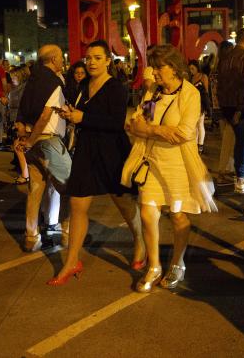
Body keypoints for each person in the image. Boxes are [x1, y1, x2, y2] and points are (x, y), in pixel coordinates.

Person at [47, 40, 144, 286]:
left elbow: (116, 122)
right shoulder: (82, 86)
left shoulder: (116, 88)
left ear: (108, 61)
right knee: (78, 204)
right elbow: (82, 116)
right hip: (86, 150)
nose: (91, 62)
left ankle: (140, 242)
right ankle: (71, 262)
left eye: (97, 58)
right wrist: (71, 115)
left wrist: (84, 117)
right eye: (88, 58)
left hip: (112, 151)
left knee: (123, 202)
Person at [124, 44, 217, 292]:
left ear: (174, 68)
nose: (153, 73)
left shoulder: (190, 94)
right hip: (152, 160)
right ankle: (154, 265)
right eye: (152, 67)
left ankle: (177, 262)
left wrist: (153, 130)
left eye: (158, 67)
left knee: (177, 216)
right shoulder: (153, 92)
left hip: (179, 164)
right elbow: (137, 122)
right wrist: (148, 128)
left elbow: (185, 133)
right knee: (147, 212)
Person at [15, 44, 68, 252]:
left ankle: (31, 237)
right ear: (54, 59)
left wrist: (25, 137)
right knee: (71, 186)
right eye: (61, 58)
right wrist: (31, 139)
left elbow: (22, 108)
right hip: (47, 140)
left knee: (35, 189)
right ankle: (68, 233)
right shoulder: (54, 81)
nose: (63, 61)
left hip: (32, 141)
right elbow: (46, 115)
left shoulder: (33, 80)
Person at [216, 30, 244, 193]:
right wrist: (240, 108)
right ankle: (240, 177)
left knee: (230, 138)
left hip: (226, 104)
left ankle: (225, 171)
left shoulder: (225, 57)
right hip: (240, 105)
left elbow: (219, 81)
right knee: (243, 142)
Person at [8, 65, 31, 184]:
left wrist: (20, 122)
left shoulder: (24, 89)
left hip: (22, 122)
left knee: (19, 145)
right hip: (17, 120)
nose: (12, 79)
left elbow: (23, 106)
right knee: (19, 145)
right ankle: (26, 173)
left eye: (14, 76)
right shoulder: (17, 88)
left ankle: (26, 174)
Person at [188, 59, 210, 154]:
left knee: (200, 124)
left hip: (201, 103)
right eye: (190, 69)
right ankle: (195, 145)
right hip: (192, 103)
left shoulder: (203, 76)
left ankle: (200, 145)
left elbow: (206, 91)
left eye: (193, 68)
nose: (191, 70)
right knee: (194, 125)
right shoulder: (191, 78)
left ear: (197, 67)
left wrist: (207, 105)